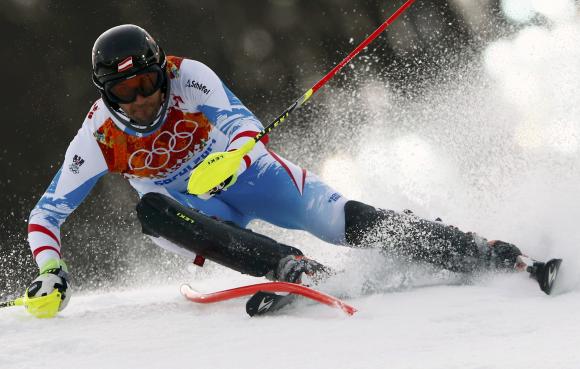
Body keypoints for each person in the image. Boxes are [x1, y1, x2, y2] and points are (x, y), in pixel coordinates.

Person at [24, 24, 545, 317]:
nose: (140, 101)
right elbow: (45, 216)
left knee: (337, 219)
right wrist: (52, 271)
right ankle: (285, 264)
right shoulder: (98, 135)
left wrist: (230, 158)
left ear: (162, 73)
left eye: (147, 85)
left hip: (246, 173)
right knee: (152, 211)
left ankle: (482, 250)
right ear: (106, 95)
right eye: (124, 92)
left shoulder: (189, 76)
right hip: (196, 210)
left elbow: (245, 127)